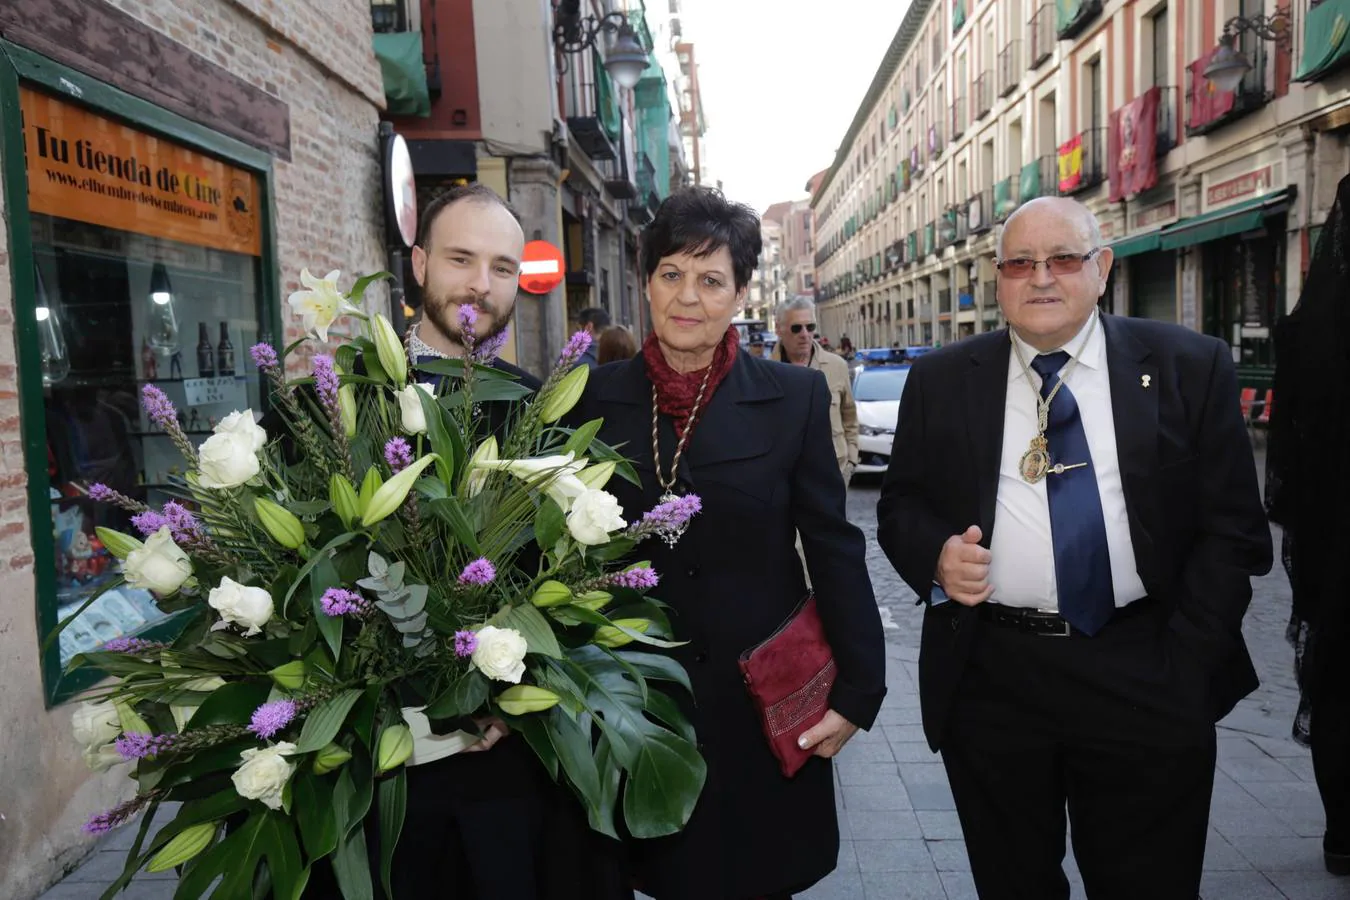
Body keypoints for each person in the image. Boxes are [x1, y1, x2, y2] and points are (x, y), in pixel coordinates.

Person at [876, 196, 1272, 900]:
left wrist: (1185, 663)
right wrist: (935, 554)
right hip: (994, 676)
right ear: (998, 277)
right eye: (1020, 263)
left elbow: (1234, 528)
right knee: (1013, 883)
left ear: (1102, 267)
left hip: (1142, 666)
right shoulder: (943, 379)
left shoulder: (1188, 366)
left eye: (1063, 259)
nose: (1042, 278)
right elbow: (901, 502)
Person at [302, 184, 627, 900]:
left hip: (509, 779)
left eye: (504, 267)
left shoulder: (541, 413)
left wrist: (522, 682)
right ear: (418, 265)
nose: (482, 283)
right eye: (460, 258)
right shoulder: (332, 406)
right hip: (378, 786)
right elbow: (301, 583)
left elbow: (569, 582)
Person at [570, 186, 887, 899]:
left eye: (711, 280)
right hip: (637, 699)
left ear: (741, 292)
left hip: (758, 700)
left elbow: (834, 548)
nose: (689, 297)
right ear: (646, 283)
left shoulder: (793, 398)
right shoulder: (589, 400)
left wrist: (860, 690)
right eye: (672, 275)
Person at [1266, 173, 1350, 877]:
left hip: (1335, 552)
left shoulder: (1305, 334)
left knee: (1339, 686)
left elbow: (1283, 471)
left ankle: (1343, 831)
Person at [775, 297, 859, 481]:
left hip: (834, 473)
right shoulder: (764, 370)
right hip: (783, 477)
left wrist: (851, 460)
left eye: (810, 327)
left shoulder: (837, 366)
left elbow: (849, 416)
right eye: (796, 328)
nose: (805, 334)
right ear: (778, 329)